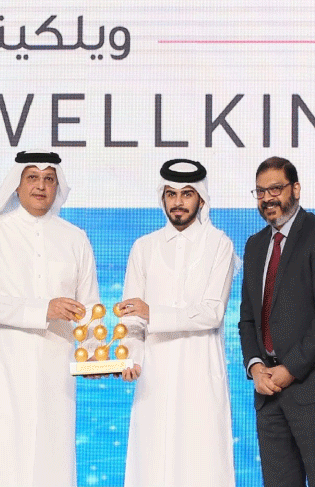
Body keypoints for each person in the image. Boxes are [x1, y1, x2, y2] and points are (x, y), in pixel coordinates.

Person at [0, 150, 100, 487]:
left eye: (49, 179)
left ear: (58, 186)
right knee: (1, 466)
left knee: (52, 465)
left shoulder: (75, 238)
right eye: (32, 177)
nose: (41, 186)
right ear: (16, 185)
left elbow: (89, 309)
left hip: (56, 377)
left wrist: (94, 354)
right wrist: (43, 310)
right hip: (4, 374)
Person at [117, 158, 237, 486]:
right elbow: (131, 319)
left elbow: (212, 313)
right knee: (151, 462)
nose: (178, 202)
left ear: (201, 199)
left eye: (186, 194)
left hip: (200, 372)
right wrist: (132, 358)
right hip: (154, 374)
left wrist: (151, 313)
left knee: (202, 462)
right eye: (171, 194)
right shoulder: (144, 247)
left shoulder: (219, 244)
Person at [238, 156, 315, 486]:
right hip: (268, 393)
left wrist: (290, 369)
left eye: (275, 189)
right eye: (260, 192)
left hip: (314, 389)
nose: (267, 198)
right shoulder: (255, 245)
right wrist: (255, 366)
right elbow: (247, 319)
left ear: (296, 189)